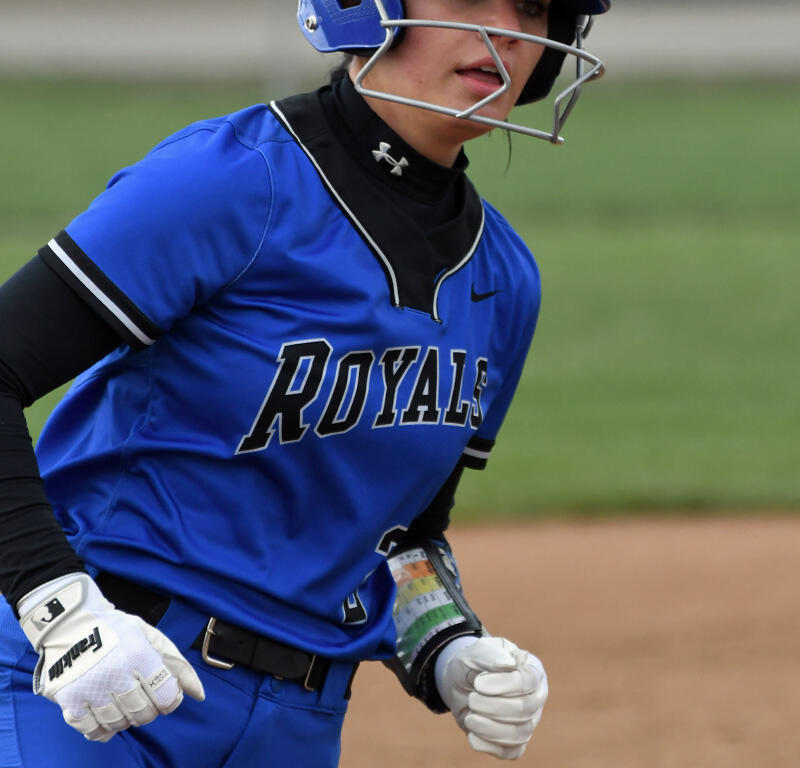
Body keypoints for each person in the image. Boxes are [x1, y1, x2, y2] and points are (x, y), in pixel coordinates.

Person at [0, 0, 610, 765]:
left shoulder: (504, 278)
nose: (507, 31)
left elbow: (402, 535)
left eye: (534, 7)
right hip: (92, 685)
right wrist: (61, 611)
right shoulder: (232, 180)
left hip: (300, 726)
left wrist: (444, 640)